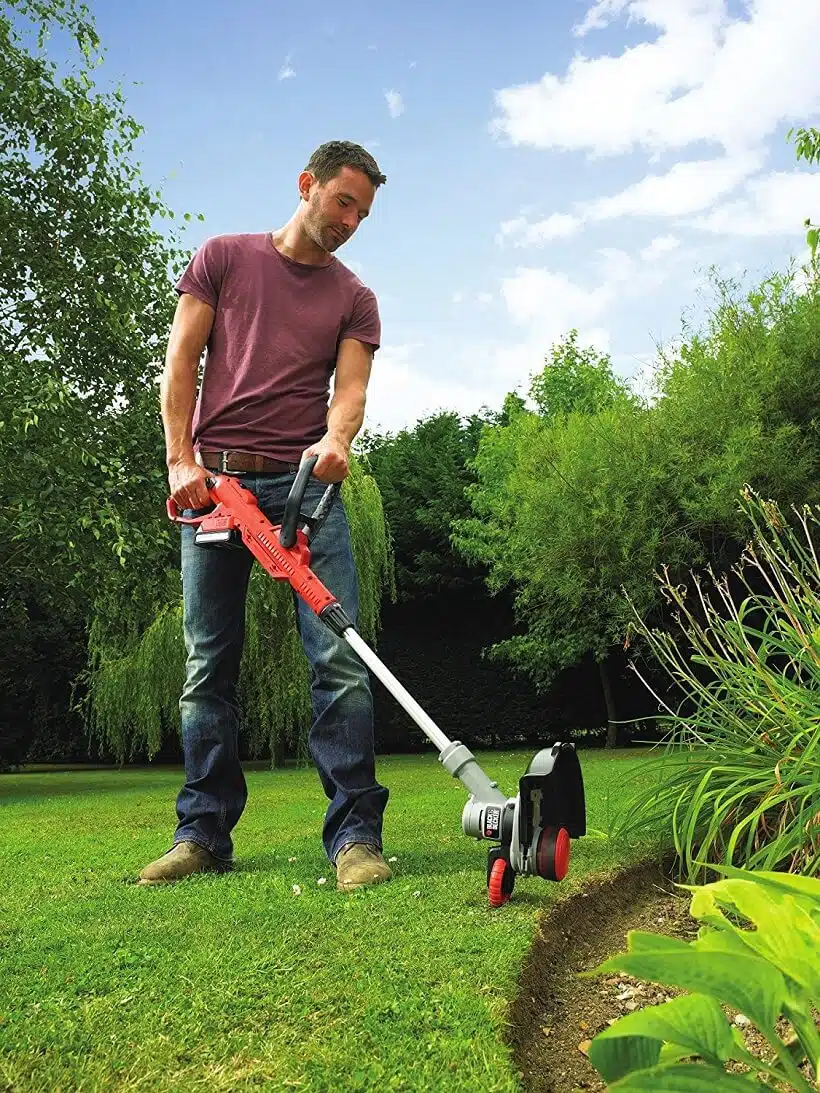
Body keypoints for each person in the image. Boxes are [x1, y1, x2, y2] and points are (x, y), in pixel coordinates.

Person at [138, 140, 392, 892]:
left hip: (305, 488)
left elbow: (349, 392)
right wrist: (181, 460)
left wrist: (337, 439)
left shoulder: (355, 298)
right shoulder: (222, 258)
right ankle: (202, 834)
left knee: (338, 659)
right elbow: (181, 361)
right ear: (306, 184)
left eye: (363, 212)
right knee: (205, 666)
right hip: (217, 489)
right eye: (343, 201)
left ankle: (354, 837)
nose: (351, 220)